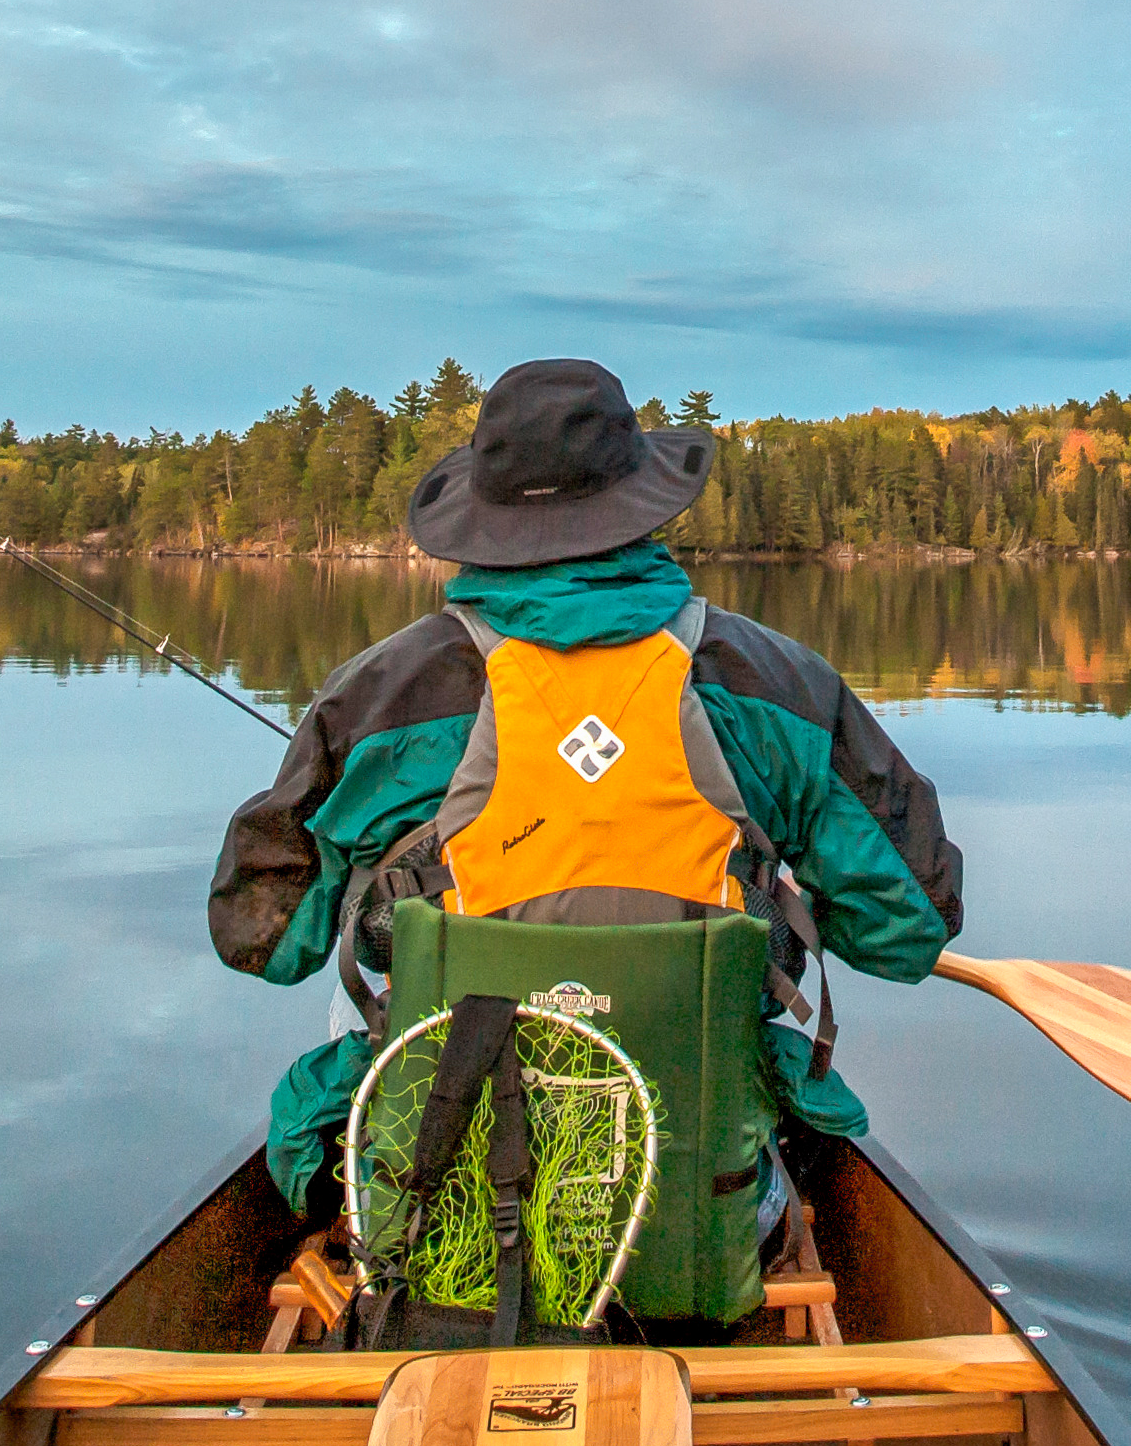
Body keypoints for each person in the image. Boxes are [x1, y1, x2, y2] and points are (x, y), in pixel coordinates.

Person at [207, 357, 961, 1332]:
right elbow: (907, 929)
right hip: (708, 1213)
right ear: (643, 507)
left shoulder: (378, 699)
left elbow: (259, 938)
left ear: (480, 520)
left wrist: (367, 837)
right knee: (784, 1120)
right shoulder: (781, 688)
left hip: (434, 1213)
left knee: (346, 1034)